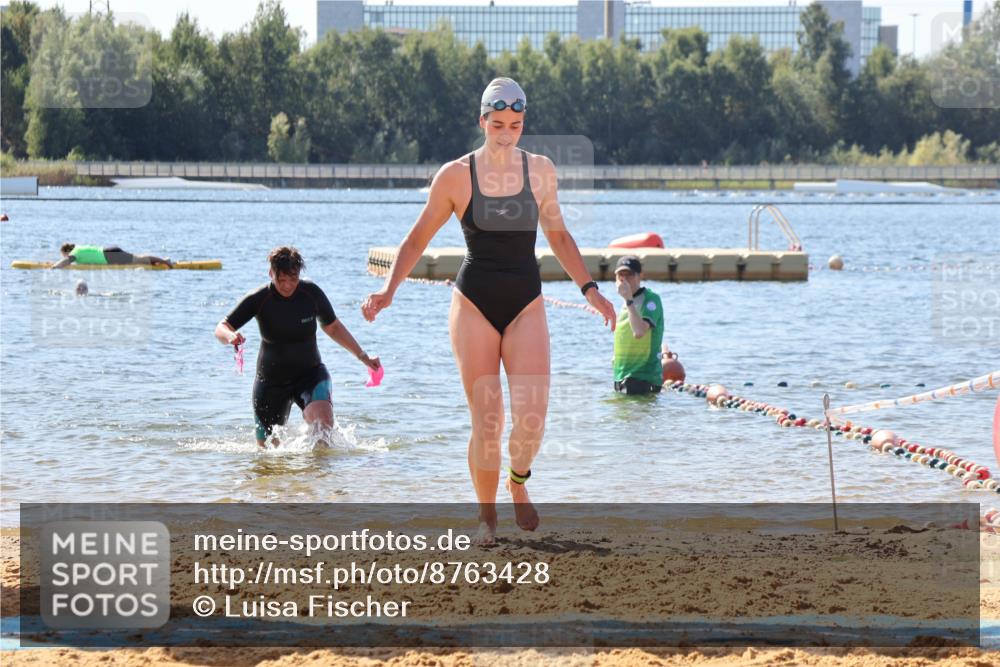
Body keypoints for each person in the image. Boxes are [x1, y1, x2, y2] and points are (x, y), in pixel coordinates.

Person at [361, 77, 616, 544]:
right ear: (482, 121)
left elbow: (558, 236)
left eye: (515, 125)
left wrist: (590, 290)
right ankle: (487, 517)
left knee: (533, 416)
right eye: (497, 123)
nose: (505, 133)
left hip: (526, 301)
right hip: (474, 302)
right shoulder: (456, 175)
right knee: (488, 419)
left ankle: (518, 481)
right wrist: (388, 291)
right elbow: (418, 238)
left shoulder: (540, 170)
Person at [215, 246, 380, 449]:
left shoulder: (311, 294)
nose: (287, 286)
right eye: (281, 280)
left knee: (323, 430)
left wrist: (363, 356)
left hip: (310, 376)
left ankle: (317, 479)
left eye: (293, 280)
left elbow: (333, 326)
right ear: (271, 274)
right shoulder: (259, 299)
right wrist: (231, 336)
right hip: (270, 383)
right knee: (267, 452)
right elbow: (221, 327)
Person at [612, 256, 665, 395]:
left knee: (639, 416)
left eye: (630, 275)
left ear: (640, 276)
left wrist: (629, 300)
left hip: (643, 377)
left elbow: (639, 331)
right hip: (621, 374)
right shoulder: (626, 302)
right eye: (620, 275)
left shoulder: (650, 300)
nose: (624, 279)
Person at [51, 243, 174, 269]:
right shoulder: (78, 248)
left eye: (63, 255)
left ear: (67, 251)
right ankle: (160, 262)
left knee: (139, 259)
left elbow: (66, 261)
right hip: (109, 252)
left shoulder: (74, 254)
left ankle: (166, 261)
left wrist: (54, 267)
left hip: (110, 256)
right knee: (139, 260)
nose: (64, 257)